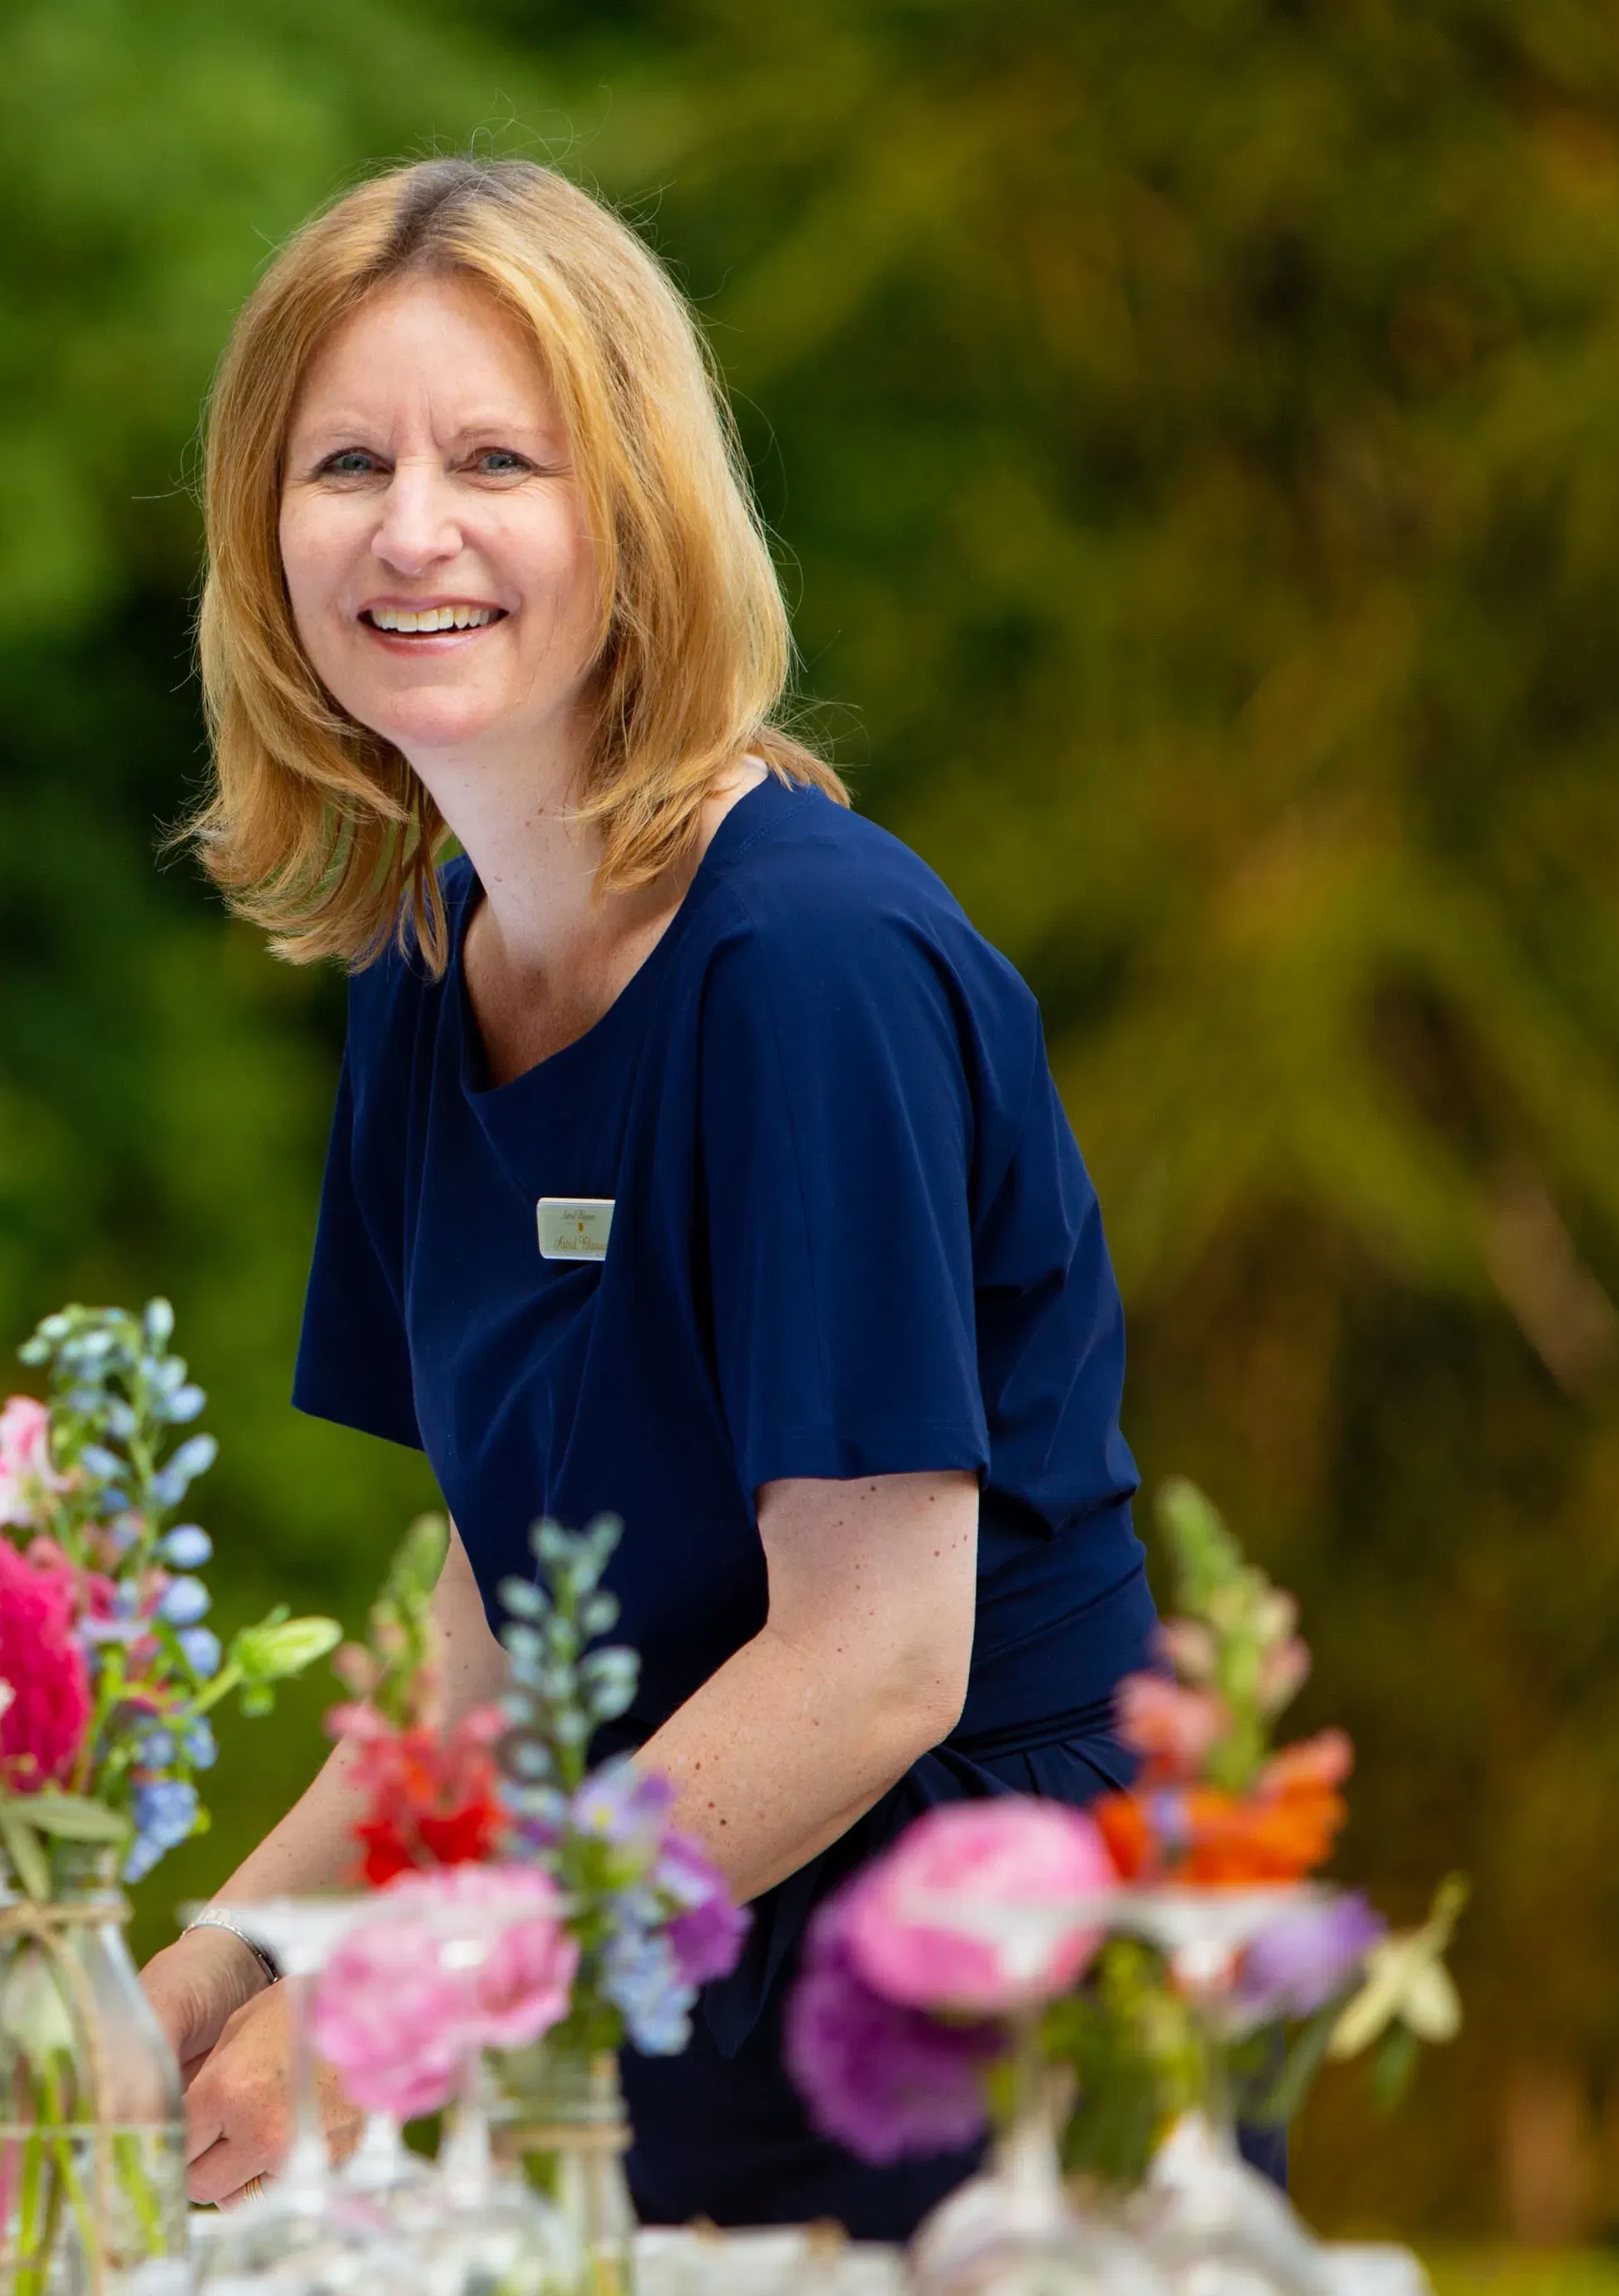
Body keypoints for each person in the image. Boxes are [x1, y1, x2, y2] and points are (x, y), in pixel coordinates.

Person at [138, 154, 1162, 2239]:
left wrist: (392, 2007)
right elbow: (494, 1624)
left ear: (636, 514)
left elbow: (875, 1661)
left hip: (964, 2041)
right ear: (264, 534)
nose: (412, 528)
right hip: (655, 2013)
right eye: (347, 464)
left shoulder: (806, 967)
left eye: (495, 459)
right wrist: (205, 1967)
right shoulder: (429, 967)